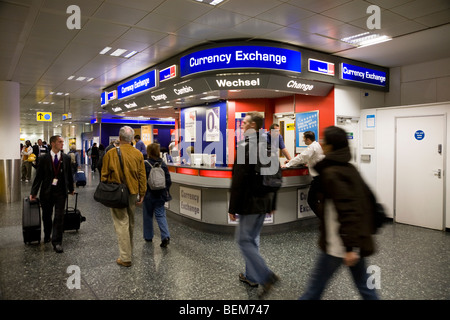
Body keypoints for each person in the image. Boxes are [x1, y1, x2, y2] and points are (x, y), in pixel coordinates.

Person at [298, 126, 379, 300]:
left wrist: (349, 248)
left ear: (332, 146)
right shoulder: (349, 168)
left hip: (339, 243)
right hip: (353, 240)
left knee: (313, 290)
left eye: (325, 142)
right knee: (365, 287)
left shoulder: (332, 173)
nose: (323, 145)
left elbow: (348, 209)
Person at [228, 112, 279, 298]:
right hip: (263, 202)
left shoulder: (244, 146)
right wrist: (272, 203)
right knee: (252, 238)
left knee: (243, 240)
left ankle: (266, 276)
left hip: (249, 203)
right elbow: (275, 177)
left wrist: (232, 207)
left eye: (245, 122)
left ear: (253, 126)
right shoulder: (268, 146)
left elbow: (238, 180)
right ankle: (251, 275)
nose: (242, 125)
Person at [101, 126, 147, 267]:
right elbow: (142, 176)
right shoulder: (138, 154)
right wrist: (142, 193)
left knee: (121, 223)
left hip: (117, 193)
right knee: (131, 222)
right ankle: (129, 251)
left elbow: (104, 175)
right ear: (132, 139)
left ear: (119, 138)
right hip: (132, 192)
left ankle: (125, 257)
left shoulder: (110, 153)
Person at [30, 135, 75, 253]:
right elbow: (38, 177)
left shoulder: (65, 158)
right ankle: (47, 235)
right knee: (46, 215)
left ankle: (57, 242)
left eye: (62, 142)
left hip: (61, 192)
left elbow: (69, 174)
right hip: (46, 192)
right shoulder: (43, 158)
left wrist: (71, 188)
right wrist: (33, 192)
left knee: (59, 216)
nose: (62, 144)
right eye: (60, 142)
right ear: (53, 143)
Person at [282, 131, 324, 211]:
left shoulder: (311, 147)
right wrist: (291, 161)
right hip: (321, 177)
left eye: (304, 138)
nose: (303, 140)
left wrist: (288, 165)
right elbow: (307, 159)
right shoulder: (317, 145)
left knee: (311, 201)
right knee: (319, 200)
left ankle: (323, 219)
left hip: (318, 179)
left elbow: (301, 157)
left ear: (308, 139)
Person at [143, 143, 172, 247]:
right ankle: (165, 236)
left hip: (148, 194)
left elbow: (142, 180)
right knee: (160, 214)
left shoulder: (145, 163)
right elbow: (168, 180)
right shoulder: (163, 164)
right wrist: (165, 190)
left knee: (147, 215)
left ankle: (148, 236)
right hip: (160, 194)